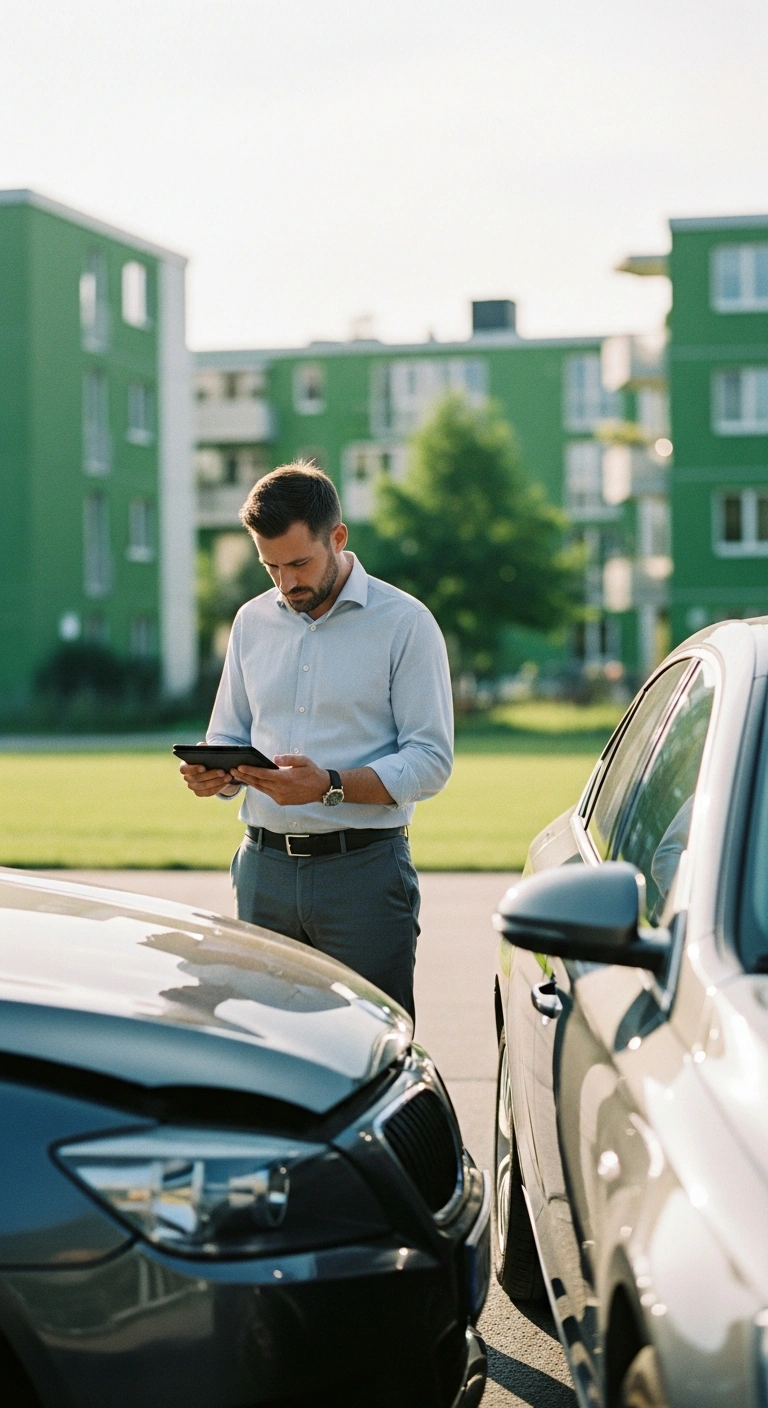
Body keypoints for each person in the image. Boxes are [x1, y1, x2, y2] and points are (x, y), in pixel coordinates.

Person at [180, 462, 453, 1019]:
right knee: (267, 1047)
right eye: (271, 566)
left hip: (364, 876)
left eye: (299, 563)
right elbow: (228, 733)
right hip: (262, 873)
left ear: (339, 537)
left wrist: (327, 786)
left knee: (371, 1046)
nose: (286, 582)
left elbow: (430, 761)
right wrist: (216, 777)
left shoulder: (406, 624)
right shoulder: (251, 623)